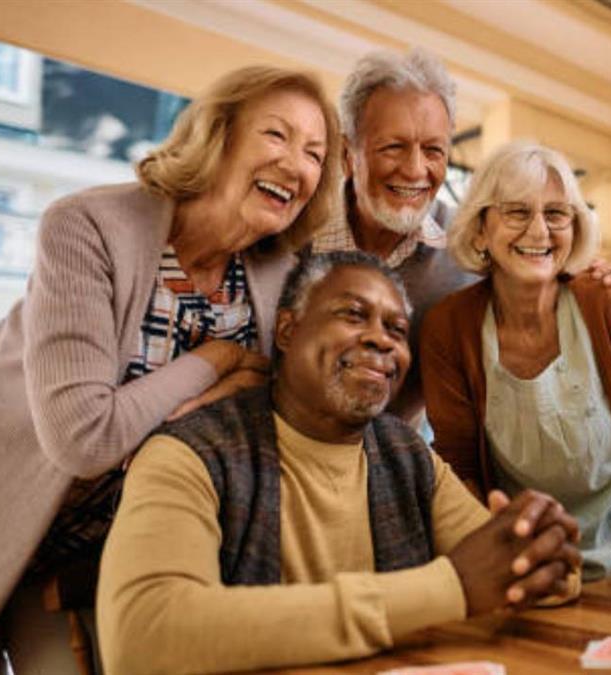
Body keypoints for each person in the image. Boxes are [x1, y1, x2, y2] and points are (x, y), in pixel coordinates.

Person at [0, 65, 342, 673]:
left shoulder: (274, 275)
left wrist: (242, 392)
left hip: (81, 546)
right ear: (217, 135)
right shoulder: (87, 226)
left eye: (315, 154)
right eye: (276, 135)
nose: (297, 165)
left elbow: (266, 416)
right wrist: (214, 361)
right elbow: (84, 436)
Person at [96, 251, 581, 673]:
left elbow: (507, 571)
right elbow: (144, 636)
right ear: (287, 330)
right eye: (353, 314)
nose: (382, 340)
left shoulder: (406, 453)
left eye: (396, 329)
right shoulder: (189, 453)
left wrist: (543, 549)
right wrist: (447, 588)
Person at [309, 48, 611, 419]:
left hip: (395, 458)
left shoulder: (473, 240)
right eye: (394, 147)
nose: (415, 170)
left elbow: (544, 263)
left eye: (434, 150)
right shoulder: (294, 235)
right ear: (347, 153)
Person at [421, 141, 611, 581]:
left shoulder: (609, 300)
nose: (539, 232)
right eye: (517, 212)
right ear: (480, 230)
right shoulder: (448, 327)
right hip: (525, 562)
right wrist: (499, 555)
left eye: (556, 214)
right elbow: (460, 466)